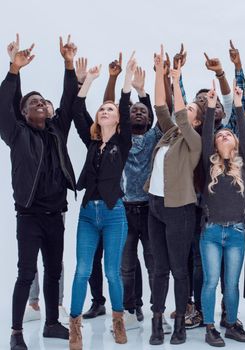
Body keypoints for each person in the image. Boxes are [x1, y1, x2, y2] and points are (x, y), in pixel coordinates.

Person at [1, 36, 78, 350]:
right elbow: (3, 105)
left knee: (54, 271)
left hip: (55, 215)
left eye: (44, 101)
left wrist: (69, 64)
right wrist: (14, 71)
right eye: (34, 102)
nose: (42, 104)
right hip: (29, 216)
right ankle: (16, 333)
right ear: (24, 111)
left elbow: (70, 100)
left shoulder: (56, 131)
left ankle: (51, 324)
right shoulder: (16, 134)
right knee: (25, 273)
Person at [68, 53, 136, 349]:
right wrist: (90, 81)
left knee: (112, 271)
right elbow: (75, 108)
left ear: (118, 116)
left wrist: (125, 82)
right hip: (87, 214)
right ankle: (74, 328)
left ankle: (118, 322)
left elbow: (123, 103)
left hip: (113, 213)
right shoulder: (92, 141)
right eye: (102, 109)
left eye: (109, 109)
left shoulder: (123, 141)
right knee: (82, 269)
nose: (104, 111)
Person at [146, 47, 205, 346]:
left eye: (192, 110)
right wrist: (159, 72)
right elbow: (161, 107)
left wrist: (177, 79)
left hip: (179, 210)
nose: (186, 111)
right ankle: (157, 320)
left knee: (179, 269)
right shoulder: (169, 135)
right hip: (155, 206)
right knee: (159, 268)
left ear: (196, 121)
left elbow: (179, 113)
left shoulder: (194, 141)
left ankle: (180, 321)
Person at [200, 80, 245, 347]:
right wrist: (210, 106)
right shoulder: (206, 166)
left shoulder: (244, 166)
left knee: (231, 284)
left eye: (228, 135)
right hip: (210, 232)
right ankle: (210, 327)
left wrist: (239, 104)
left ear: (236, 142)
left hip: (235, 232)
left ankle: (231, 323)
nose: (223, 136)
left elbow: (243, 129)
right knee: (210, 282)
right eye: (219, 135)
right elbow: (208, 129)